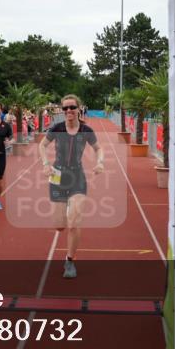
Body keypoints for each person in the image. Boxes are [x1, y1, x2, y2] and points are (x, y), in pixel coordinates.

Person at [38, 94, 104, 279]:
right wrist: (45, 164)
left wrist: (100, 162)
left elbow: (98, 148)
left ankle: (69, 261)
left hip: (77, 176)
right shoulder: (57, 128)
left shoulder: (86, 130)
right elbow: (42, 145)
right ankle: (65, 214)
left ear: (78, 108)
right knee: (60, 226)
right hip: (57, 175)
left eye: (72, 107)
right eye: (65, 108)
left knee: (74, 222)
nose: (68, 111)